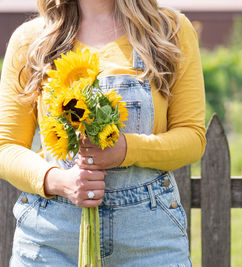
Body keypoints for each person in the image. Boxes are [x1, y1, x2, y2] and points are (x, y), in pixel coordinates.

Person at [0, 0, 206, 266]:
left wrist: (125, 150)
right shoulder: (32, 41)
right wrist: (58, 181)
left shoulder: (169, 31)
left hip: (149, 241)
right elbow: (5, 147)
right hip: (51, 243)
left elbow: (192, 137)